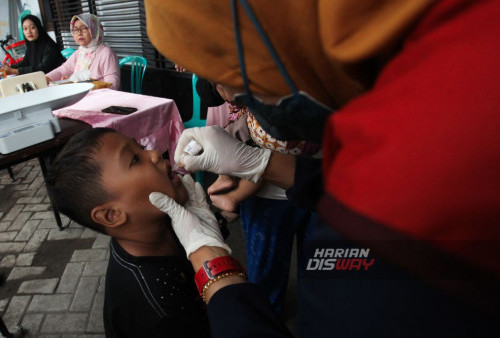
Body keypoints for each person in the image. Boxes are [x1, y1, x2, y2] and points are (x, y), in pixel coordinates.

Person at [144, 0, 500, 337]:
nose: (230, 96)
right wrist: (264, 163)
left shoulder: (393, 214)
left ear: (277, 29)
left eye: (230, 76)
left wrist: (209, 257)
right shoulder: (452, 47)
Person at [46, 128, 214, 338]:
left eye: (141, 147)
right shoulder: (161, 307)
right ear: (112, 215)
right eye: (135, 159)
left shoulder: (161, 225)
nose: (153, 153)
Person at [46, 14, 120, 89]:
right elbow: (62, 71)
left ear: (94, 30)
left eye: (84, 28)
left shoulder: (106, 53)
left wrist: (93, 87)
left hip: (98, 96)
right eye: (75, 29)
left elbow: (113, 84)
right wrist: (46, 78)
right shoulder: (80, 52)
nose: (79, 33)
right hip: (80, 94)